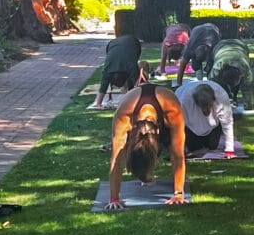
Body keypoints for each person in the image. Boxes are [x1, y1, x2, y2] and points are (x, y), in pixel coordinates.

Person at [107, 80, 187, 209]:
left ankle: (147, 172)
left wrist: (178, 193)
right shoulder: (124, 115)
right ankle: (143, 174)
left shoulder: (172, 110)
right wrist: (114, 198)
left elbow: (178, 155)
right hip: (134, 108)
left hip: (164, 107)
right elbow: (117, 158)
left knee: (175, 147)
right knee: (133, 153)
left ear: (159, 132)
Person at [175, 77, 237, 156]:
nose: (205, 110)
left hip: (213, 125)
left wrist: (229, 149)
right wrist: (180, 148)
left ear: (214, 99)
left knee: (212, 146)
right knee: (194, 148)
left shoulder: (222, 97)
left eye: (208, 105)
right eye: (202, 106)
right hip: (191, 126)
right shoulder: (184, 101)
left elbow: (227, 123)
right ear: (196, 102)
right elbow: (179, 125)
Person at [92, 32, 143, 108]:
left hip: (132, 43)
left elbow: (139, 85)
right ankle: (130, 92)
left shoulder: (108, 71)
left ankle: (130, 92)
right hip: (113, 44)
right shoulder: (108, 71)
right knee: (132, 77)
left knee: (133, 78)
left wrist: (98, 103)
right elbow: (139, 85)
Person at [175, 21, 221, 87]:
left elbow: (216, 65)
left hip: (213, 29)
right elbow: (182, 65)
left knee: (210, 65)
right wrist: (178, 83)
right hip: (197, 30)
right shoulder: (190, 48)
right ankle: (199, 78)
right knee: (196, 66)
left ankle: (209, 81)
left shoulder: (214, 47)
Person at [210, 35, 254, 103]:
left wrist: (248, 104)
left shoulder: (245, 68)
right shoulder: (217, 68)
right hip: (220, 46)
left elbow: (248, 87)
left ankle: (233, 98)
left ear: (240, 76)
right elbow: (212, 85)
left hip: (240, 45)